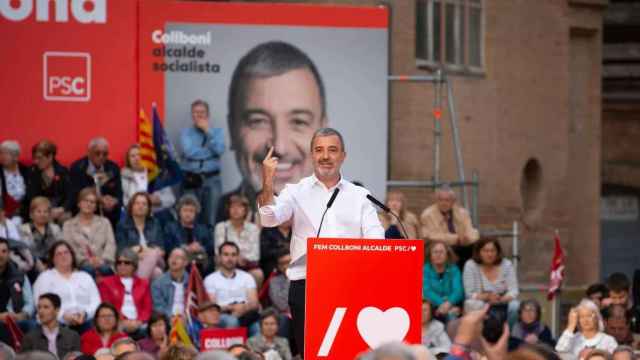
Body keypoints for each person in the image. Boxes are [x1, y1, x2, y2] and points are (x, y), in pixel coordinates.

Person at [258, 127, 384, 354]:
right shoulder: (295, 191)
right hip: (307, 287)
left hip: (351, 285)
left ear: (343, 156)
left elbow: (377, 240)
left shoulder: (360, 196)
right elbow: (268, 219)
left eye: (332, 150)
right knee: (313, 353)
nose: (325, 156)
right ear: (311, 155)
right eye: (319, 150)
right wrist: (268, 180)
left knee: (348, 353)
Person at [217, 41, 328, 224]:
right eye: (258, 121)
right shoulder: (215, 214)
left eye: (298, 121)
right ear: (232, 130)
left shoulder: (339, 211)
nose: (280, 147)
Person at [32, 241, 101, 333]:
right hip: (57, 322)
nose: (63, 256)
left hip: (86, 320)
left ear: (72, 255)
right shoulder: (44, 278)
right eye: (59, 254)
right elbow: (41, 304)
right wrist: (63, 316)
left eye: (66, 252)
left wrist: (85, 314)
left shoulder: (85, 277)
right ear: (53, 259)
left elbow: (96, 302)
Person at [179, 99, 225, 227]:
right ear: (191, 115)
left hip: (212, 180)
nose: (198, 115)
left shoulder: (217, 132)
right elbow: (189, 152)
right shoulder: (186, 133)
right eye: (195, 112)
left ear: (208, 115)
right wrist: (211, 152)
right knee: (189, 218)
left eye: (202, 112)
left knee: (211, 218)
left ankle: (209, 246)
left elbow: (220, 149)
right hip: (191, 180)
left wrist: (207, 131)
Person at [462, 237, 519, 324]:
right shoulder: (471, 265)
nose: (489, 254)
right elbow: (469, 293)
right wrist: (487, 297)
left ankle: (508, 334)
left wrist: (502, 299)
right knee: (471, 304)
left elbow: (514, 290)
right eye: (485, 251)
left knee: (515, 306)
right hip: (480, 302)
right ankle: (478, 334)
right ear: (479, 252)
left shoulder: (506, 264)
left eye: (493, 251)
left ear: (497, 252)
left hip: (502, 301)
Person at [98, 248, 152, 337]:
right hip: (117, 321)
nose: (122, 265)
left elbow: (147, 308)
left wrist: (139, 321)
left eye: (127, 263)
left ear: (134, 265)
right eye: (119, 262)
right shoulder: (106, 283)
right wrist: (123, 320)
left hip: (139, 322)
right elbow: (108, 306)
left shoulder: (143, 283)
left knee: (148, 329)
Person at [204, 242, 259, 329]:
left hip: (245, 313)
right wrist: (232, 308)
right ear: (219, 257)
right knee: (232, 321)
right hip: (222, 315)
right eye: (226, 254)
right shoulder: (210, 279)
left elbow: (254, 303)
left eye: (233, 255)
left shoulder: (247, 277)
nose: (230, 258)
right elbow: (212, 306)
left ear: (237, 257)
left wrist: (243, 308)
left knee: (257, 325)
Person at [69, 137, 123, 227]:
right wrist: (99, 199)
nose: (101, 157)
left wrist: (114, 201)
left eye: (105, 154)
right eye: (97, 153)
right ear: (89, 152)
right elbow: (75, 194)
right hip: (85, 207)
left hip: (108, 211)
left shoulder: (113, 168)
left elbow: (119, 193)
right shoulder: (78, 168)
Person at [63, 187, 116, 276]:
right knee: (88, 271)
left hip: (103, 263)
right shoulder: (68, 225)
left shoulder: (104, 222)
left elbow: (111, 244)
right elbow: (69, 248)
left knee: (105, 270)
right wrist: (85, 261)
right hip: (80, 265)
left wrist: (102, 260)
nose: (88, 204)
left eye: (92, 202)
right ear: (79, 203)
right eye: (85, 201)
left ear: (96, 206)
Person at [421, 186, 479, 267]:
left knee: (479, 248)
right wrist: (456, 238)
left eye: (447, 200)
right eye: (440, 200)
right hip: (440, 246)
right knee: (454, 252)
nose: (443, 203)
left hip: (462, 245)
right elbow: (430, 235)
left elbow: (472, 232)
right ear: (436, 201)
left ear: (453, 201)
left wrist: (467, 238)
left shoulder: (463, 213)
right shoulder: (427, 214)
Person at [214, 195, 262, 286]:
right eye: (232, 207)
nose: (236, 210)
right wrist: (236, 258)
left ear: (245, 210)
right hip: (226, 265)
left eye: (240, 207)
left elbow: (255, 255)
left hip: (247, 266)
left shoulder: (253, 229)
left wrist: (241, 258)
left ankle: (251, 299)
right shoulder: (221, 227)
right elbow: (218, 252)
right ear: (228, 209)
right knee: (220, 270)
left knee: (258, 274)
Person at [115, 192, 164, 279]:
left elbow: (161, 250)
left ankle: (139, 285)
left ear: (148, 208)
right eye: (137, 203)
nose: (140, 206)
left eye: (144, 204)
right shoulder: (122, 225)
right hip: (133, 262)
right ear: (131, 206)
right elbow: (121, 250)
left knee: (154, 253)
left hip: (157, 259)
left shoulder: (155, 223)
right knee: (157, 272)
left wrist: (141, 250)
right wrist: (141, 253)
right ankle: (142, 288)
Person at [120, 145, 176, 221]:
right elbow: (125, 202)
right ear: (128, 160)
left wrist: (160, 201)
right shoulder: (124, 177)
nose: (136, 158)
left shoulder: (154, 174)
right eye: (132, 156)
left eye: (139, 155)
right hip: (135, 215)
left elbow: (171, 199)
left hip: (157, 214)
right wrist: (145, 200)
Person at [22, 140, 72, 224]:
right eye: (34, 158)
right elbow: (31, 196)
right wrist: (46, 211)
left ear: (50, 157)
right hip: (39, 208)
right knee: (44, 218)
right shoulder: (32, 172)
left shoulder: (63, 172)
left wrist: (62, 208)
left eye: (40, 158)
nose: (36, 161)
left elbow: (70, 194)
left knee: (66, 218)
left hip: (59, 208)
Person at [22, 293, 81, 358]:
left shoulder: (72, 336)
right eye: (39, 307)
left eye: (46, 307)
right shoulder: (29, 338)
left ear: (57, 310)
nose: (41, 311)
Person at [163, 194, 213, 271]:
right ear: (179, 212)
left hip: (199, 258)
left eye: (191, 211)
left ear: (196, 213)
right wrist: (185, 248)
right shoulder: (170, 227)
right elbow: (168, 246)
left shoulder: (203, 229)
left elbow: (211, 246)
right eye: (185, 210)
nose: (188, 214)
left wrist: (201, 248)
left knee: (205, 259)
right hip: (179, 258)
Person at [0, 237, 35, 346]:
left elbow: (30, 303)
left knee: (32, 325)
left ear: (9, 253)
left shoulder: (20, 276)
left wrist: (22, 315)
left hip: (15, 319)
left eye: (4, 251)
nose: (0, 255)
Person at [19, 197, 64, 275]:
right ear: (31, 214)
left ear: (49, 214)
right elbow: (25, 251)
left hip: (55, 265)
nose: (42, 214)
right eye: (39, 211)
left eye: (45, 212)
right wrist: (40, 266)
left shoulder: (55, 228)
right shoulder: (23, 229)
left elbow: (61, 248)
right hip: (33, 267)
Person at [422, 240, 463, 322]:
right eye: (435, 252)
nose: (438, 255)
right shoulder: (425, 270)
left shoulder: (454, 269)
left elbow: (458, 291)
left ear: (447, 255)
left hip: (452, 304)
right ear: (430, 255)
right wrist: (443, 304)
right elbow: (427, 291)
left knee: (452, 315)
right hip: (432, 305)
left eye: (441, 252)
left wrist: (449, 303)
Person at [150, 248, 189, 319]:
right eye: (171, 257)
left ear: (185, 262)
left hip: (188, 319)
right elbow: (158, 307)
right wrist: (173, 317)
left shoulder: (191, 281)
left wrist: (188, 317)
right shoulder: (158, 283)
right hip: (168, 319)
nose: (174, 260)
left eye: (178, 257)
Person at [0, 140, 30, 221]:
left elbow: (32, 192)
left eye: (6, 153)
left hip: (23, 211)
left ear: (16, 156)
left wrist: (23, 208)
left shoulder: (26, 170)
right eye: (1, 153)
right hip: (3, 211)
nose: (3, 156)